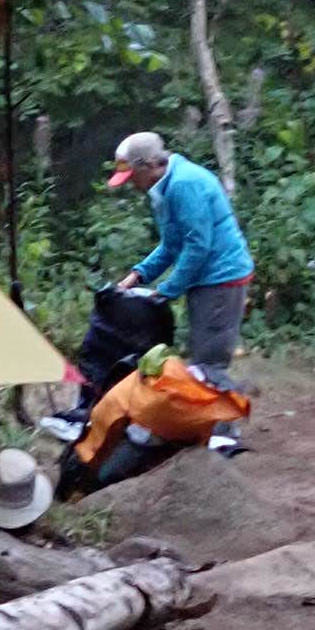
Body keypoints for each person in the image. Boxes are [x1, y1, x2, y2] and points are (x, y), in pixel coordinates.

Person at [107, 129, 255, 449]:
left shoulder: (185, 185)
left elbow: (198, 247)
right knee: (202, 357)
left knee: (208, 362)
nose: (132, 184)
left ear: (148, 166)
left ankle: (227, 431)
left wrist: (167, 290)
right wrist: (136, 276)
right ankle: (214, 421)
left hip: (222, 279)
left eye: (133, 176)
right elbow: (171, 244)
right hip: (206, 280)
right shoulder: (165, 187)